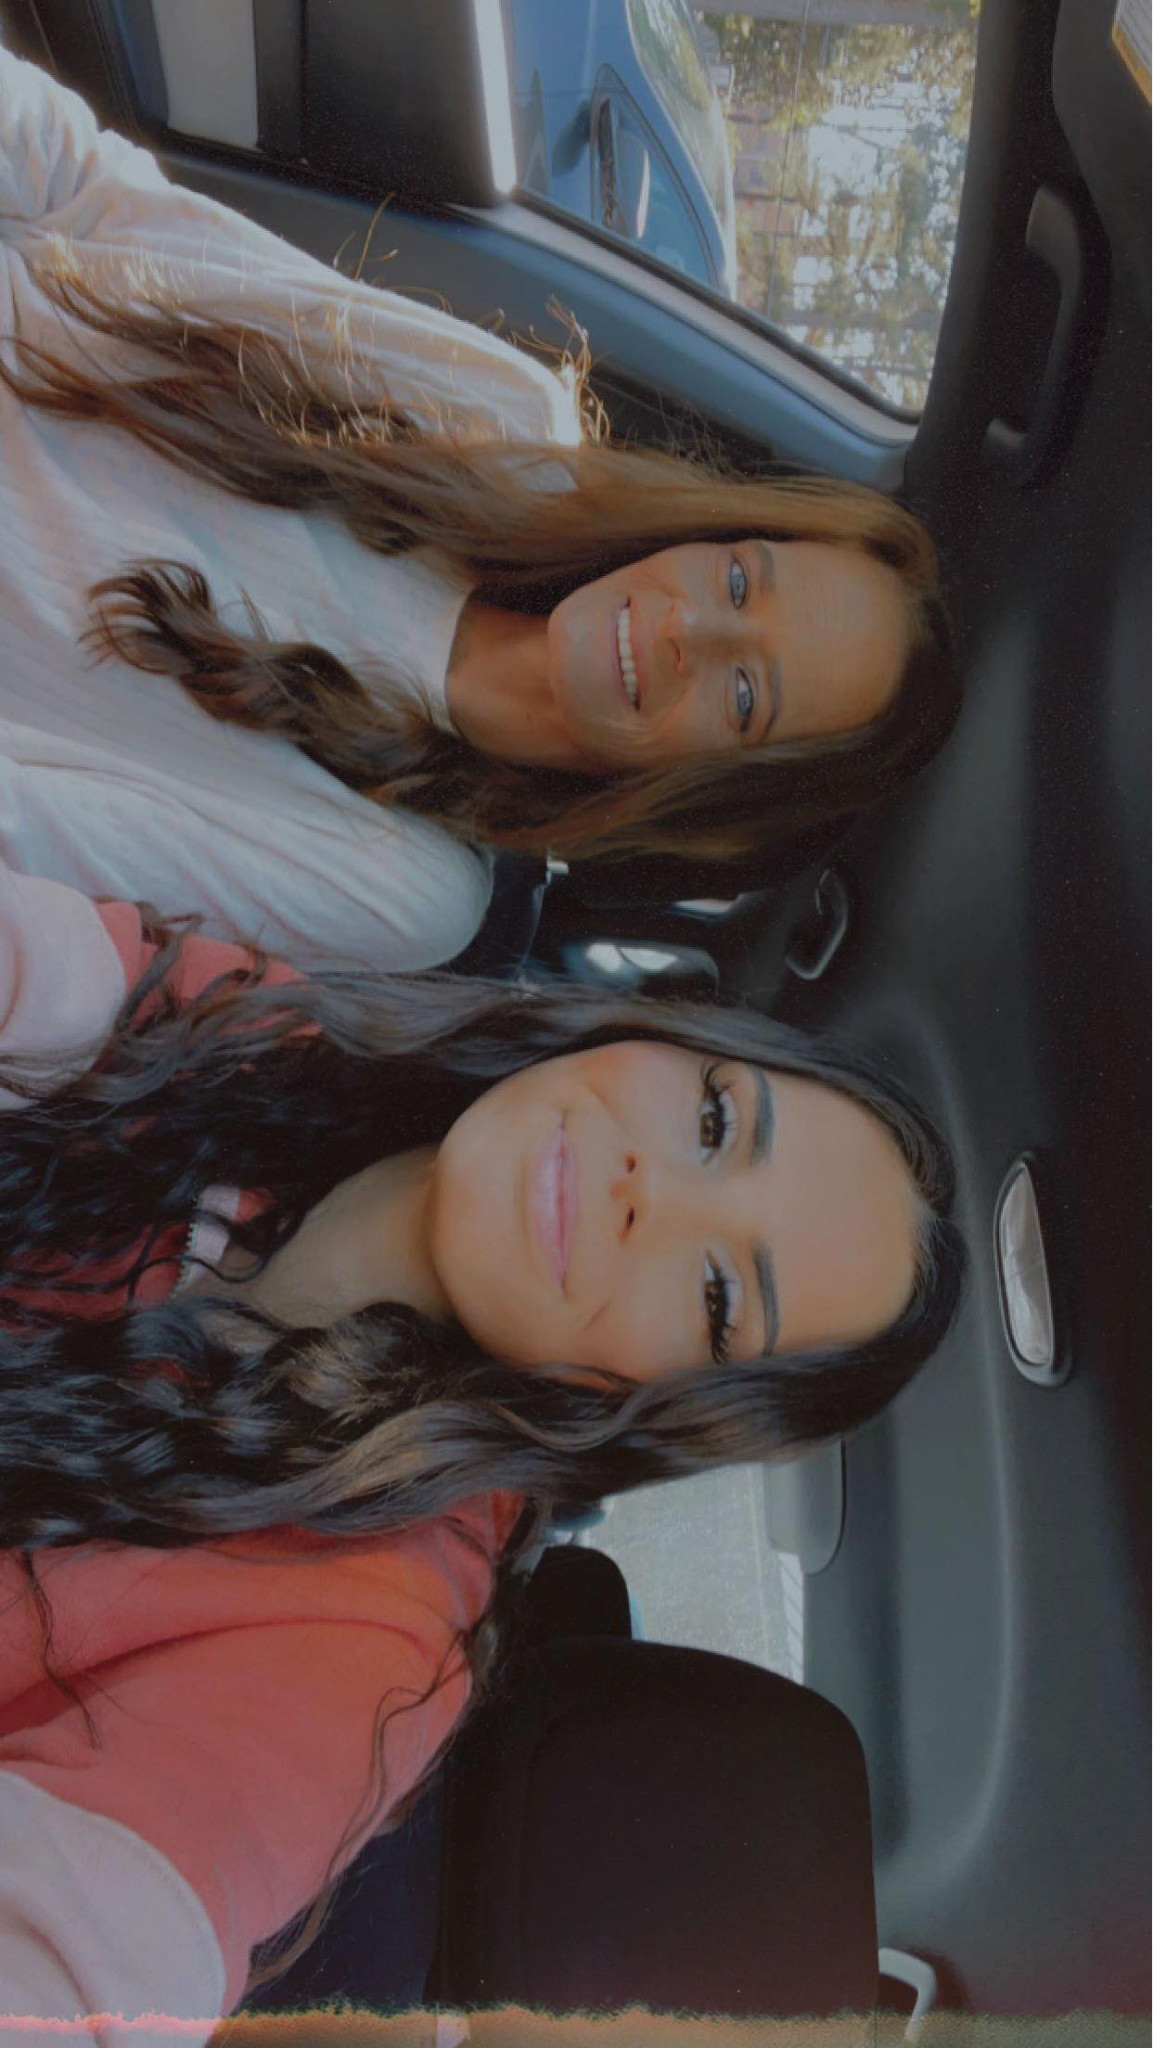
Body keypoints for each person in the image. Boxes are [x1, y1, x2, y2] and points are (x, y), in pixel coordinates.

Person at [0, 859, 963, 2031]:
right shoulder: (250, 1026)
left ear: (661, 1403)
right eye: (713, 1121)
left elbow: (84, 1948)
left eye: (717, 1296)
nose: (646, 1195)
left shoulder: (364, 1639)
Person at [0, 48, 960, 973]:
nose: (688, 628)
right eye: (741, 580)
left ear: (721, 796)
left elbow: (22, 825)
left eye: (745, 696)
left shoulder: (406, 887)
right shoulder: (506, 423)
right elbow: (87, 197)